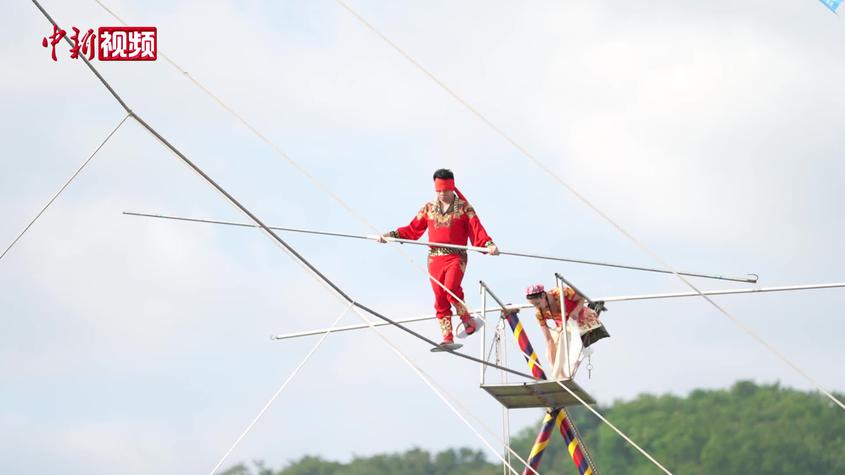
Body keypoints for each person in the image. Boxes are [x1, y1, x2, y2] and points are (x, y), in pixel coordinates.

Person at [378, 169, 499, 346]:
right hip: (435, 258)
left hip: (456, 257)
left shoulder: (464, 208)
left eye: (445, 190)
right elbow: (413, 229)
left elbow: (476, 229)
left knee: (450, 288)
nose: (442, 194)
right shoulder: (428, 208)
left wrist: (488, 245)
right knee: (440, 297)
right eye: (439, 191)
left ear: (452, 188)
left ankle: (466, 319)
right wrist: (391, 235)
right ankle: (447, 337)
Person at [525, 283, 609, 379]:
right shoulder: (539, 313)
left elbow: (581, 298)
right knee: (554, 342)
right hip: (565, 326)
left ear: (543, 296)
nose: (536, 307)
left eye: (537, 303)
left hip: (581, 318)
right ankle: (557, 375)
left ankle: (566, 373)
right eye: (533, 305)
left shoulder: (561, 292)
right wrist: (553, 366)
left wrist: (576, 311)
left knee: (564, 339)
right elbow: (548, 340)